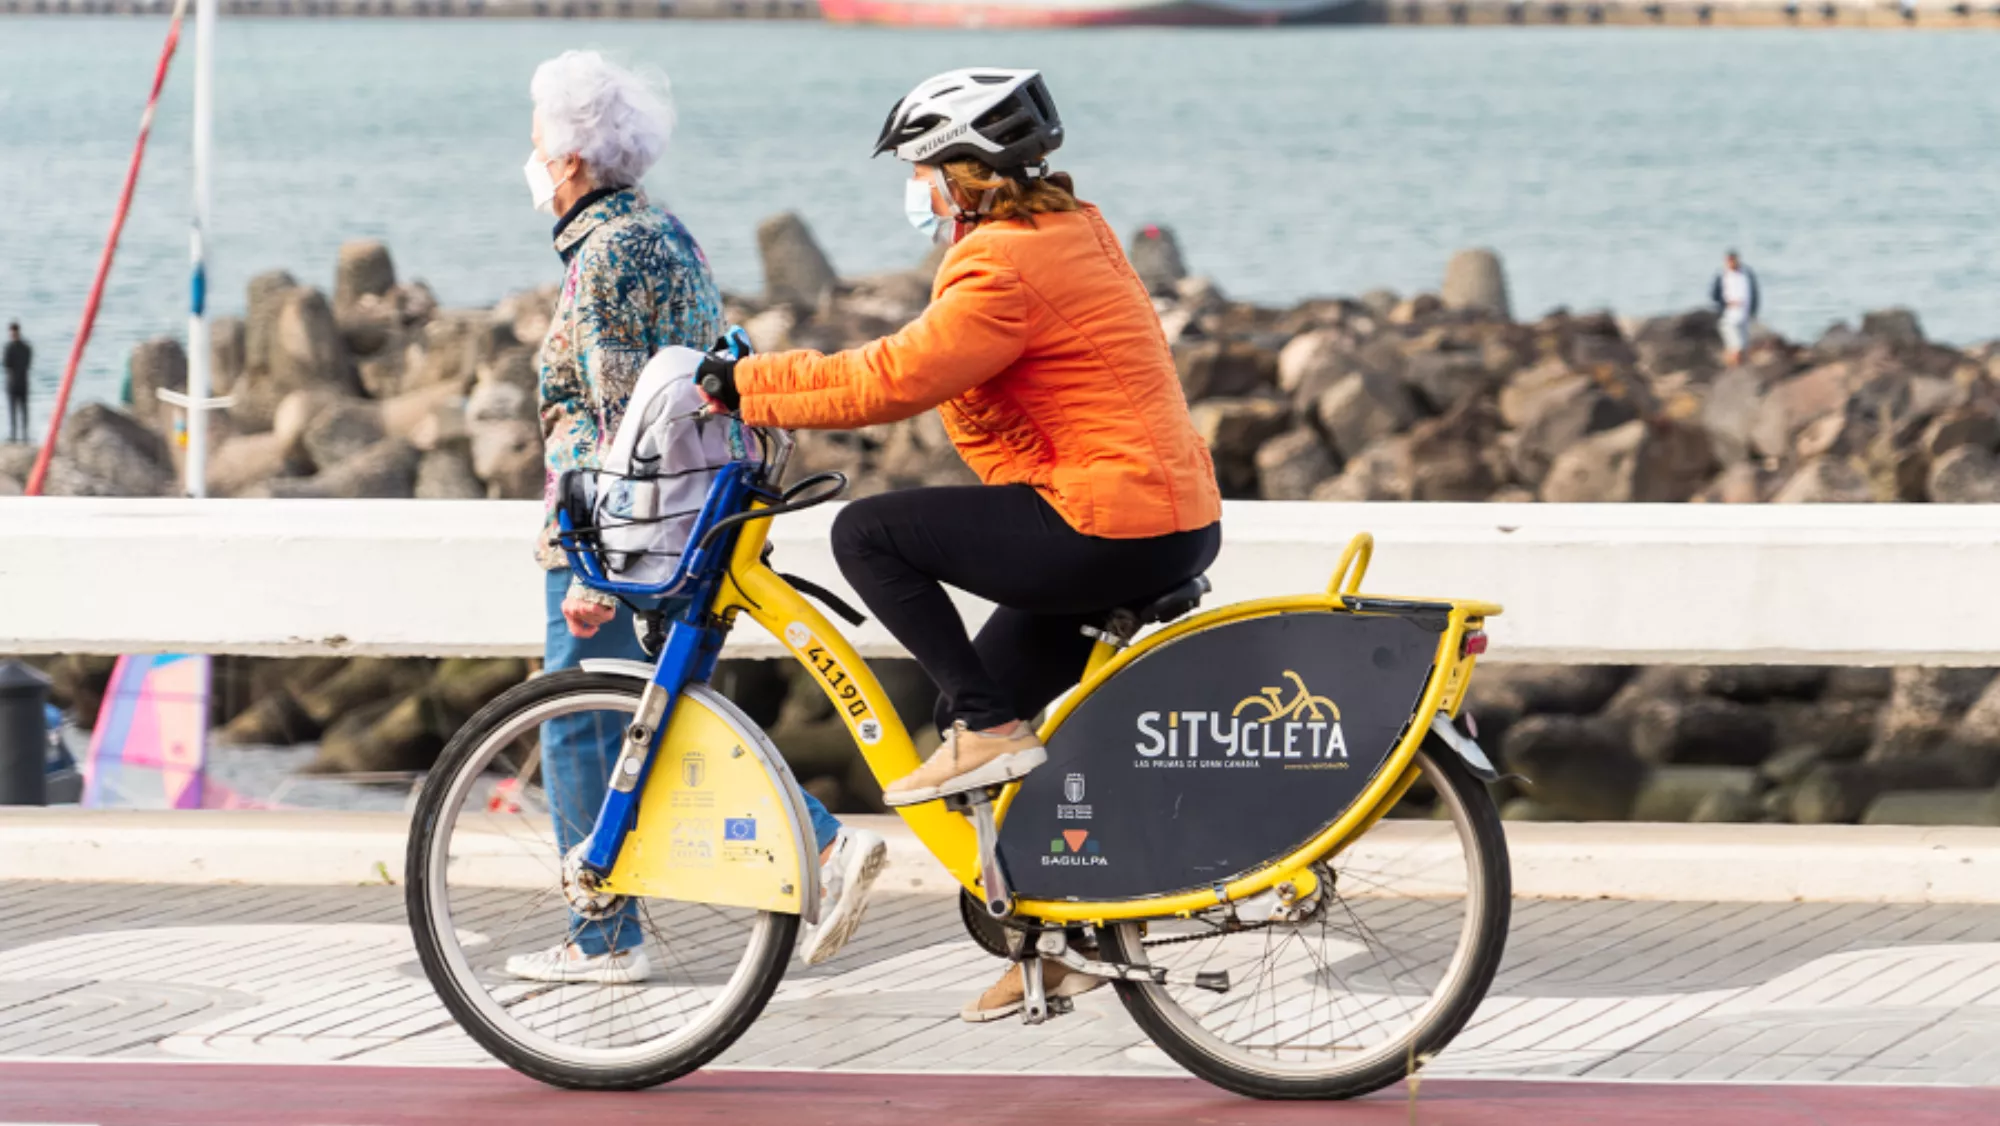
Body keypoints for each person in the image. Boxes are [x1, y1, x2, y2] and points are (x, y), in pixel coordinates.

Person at [696, 68, 1224, 1021]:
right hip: (1167, 520)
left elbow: (894, 378)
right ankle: (1068, 935)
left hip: (1108, 521)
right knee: (974, 703)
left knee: (870, 534)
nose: (917, 189)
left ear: (965, 173)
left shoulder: (1004, 267)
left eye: (923, 170)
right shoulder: (1072, 230)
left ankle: (993, 733)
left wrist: (747, 387)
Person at [508, 50, 884, 986]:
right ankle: (820, 844)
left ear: (568, 159)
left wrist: (592, 570)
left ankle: (604, 934)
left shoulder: (606, 255)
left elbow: (617, 416)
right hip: (685, 513)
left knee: (583, 725)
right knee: (665, 719)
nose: (530, 158)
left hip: (627, 532)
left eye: (537, 140)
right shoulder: (663, 232)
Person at [1710, 250, 1760, 366]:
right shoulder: (1722, 275)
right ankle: (1733, 365)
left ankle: (1741, 365)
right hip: (1729, 314)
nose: (1731, 263)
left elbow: (1754, 293)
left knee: (1744, 343)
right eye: (1729, 261)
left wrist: (1753, 311)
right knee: (1735, 345)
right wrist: (1726, 304)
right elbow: (1714, 295)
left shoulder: (1747, 273)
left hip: (1745, 313)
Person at [4, 323, 30, 444]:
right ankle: (16, 436)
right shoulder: (25, 348)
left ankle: (23, 436)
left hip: (17, 383)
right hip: (17, 383)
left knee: (22, 411)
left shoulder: (12, 348)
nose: (13, 335)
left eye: (13, 333)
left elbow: (6, 364)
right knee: (14, 412)